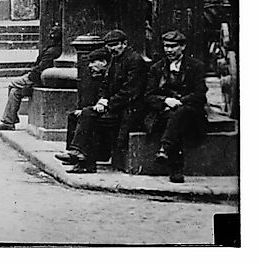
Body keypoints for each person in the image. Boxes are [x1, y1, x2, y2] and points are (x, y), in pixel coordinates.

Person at [58, 28, 146, 173]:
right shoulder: (116, 60)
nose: (112, 49)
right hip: (116, 107)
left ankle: (82, 159)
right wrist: (102, 100)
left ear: (124, 44)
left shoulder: (135, 61)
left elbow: (130, 91)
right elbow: (105, 85)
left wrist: (108, 104)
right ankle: (77, 157)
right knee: (81, 115)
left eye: (115, 45)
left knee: (88, 116)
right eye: (109, 46)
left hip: (129, 110)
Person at [141, 29, 209, 183]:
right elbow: (148, 96)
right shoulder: (157, 68)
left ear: (183, 47)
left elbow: (200, 94)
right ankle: (174, 167)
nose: (169, 50)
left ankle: (165, 149)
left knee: (179, 114)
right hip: (163, 112)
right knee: (175, 117)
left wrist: (181, 101)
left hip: (191, 113)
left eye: (173, 46)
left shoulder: (196, 66)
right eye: (166, 46)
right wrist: (166, 101)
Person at [0, 25, 63, 130]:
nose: (50, 33)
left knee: (12, 84)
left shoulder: (52, 51)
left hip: (37, 79)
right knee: (15, 92)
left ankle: (10, 120)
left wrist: (29, 75)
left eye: (53, 32)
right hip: (38, 78)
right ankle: (8, 122)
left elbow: (40, 68)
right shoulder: (53, 49)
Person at [62, 47, 115, 161]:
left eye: (93, 62)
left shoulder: (110, 75)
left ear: (104, 62)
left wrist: (103, 104)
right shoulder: (98, 77)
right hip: (104, 107)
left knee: (87, 115)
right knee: (74, 115)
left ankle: (78, 151)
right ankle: (72, 153)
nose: (90, 66)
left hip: (114, 108)